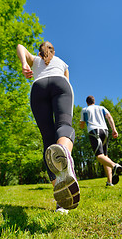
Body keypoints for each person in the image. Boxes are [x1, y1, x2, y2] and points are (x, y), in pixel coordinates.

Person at [17, 42, 80, 212]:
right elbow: (67, 80)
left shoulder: (35, 59)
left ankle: (61, 201)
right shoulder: (62, 63)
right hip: (61, 84)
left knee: (47, 138)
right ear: (53, 51)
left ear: (40, 51)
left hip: (38, 87)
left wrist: (24, 63)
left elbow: (20, 46)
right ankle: (65, 154)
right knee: (64, 125)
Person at [80, 95, 122, 186]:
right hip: (105, 131)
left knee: (99, 156)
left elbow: (82, 124)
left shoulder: (85, 110)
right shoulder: (102, 108)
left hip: (94, 131)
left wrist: (81, 125)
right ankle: (109, 182)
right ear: (94, 101)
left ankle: (115, 166)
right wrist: (114, 129)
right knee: (105, 156)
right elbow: (109, 117)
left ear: (87, 102)